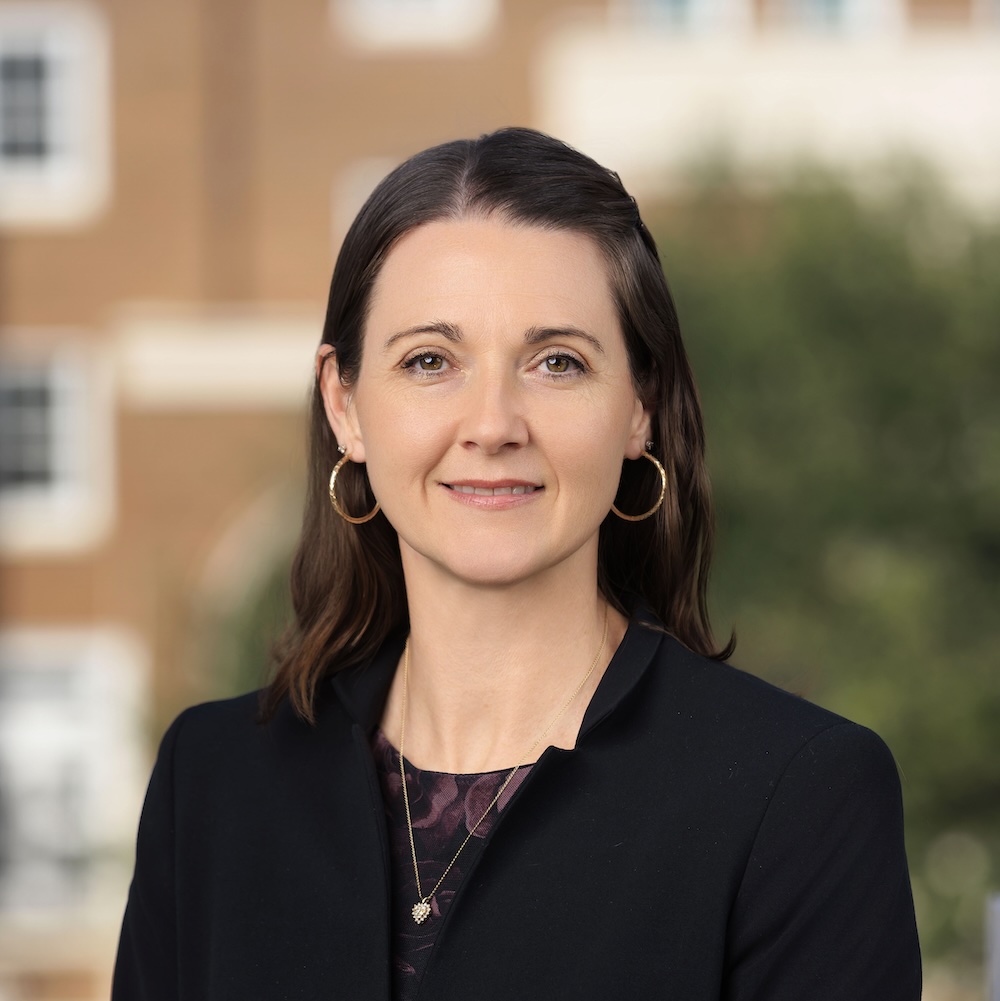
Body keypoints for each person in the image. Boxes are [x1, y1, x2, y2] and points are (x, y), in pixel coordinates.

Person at [113, 127, 921, 1000]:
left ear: (639, 407)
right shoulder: (215, 782)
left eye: (557, 362)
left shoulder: (799, 799)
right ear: (345, 404)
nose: (493, 423)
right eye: (431, 360)